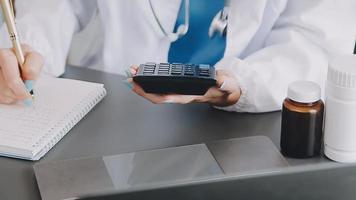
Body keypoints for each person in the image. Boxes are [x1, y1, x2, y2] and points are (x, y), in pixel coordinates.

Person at [0, 0, 355, 112]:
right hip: (108, 107)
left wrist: (245, 84)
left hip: (245, 123)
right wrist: (28, 53)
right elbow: (54, 8)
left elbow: (314, 41)